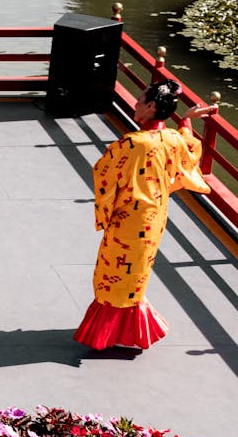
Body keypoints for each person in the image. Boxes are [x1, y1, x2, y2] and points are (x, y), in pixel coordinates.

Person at [74, 81, 216, 351]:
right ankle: (129, 329)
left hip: (129, 219)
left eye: (140, 101)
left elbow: (103, 172)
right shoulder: (172, 138)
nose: (136, 105)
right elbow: (189, 149)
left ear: (151, 107)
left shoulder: (132, 143)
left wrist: (107, 207)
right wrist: (186, 121)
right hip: (155, 217)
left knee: (115, 271)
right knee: (136, 273)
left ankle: (108, 332)